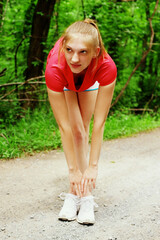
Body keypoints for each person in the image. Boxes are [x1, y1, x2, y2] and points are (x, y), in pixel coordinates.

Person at [45, 19, 117, 225]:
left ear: (95, 51)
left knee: (84, 128)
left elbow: (100, 123)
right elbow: (64, 126)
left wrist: (93, 167)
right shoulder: (56, 67)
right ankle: (77, 193)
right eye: (69, 49)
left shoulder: (106, 66)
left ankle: (84, 197)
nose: (74, 58)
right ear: (64, 47)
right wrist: (73, 171)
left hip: (90, 78)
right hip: (65, 78)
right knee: (75, 131)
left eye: (83, 52)